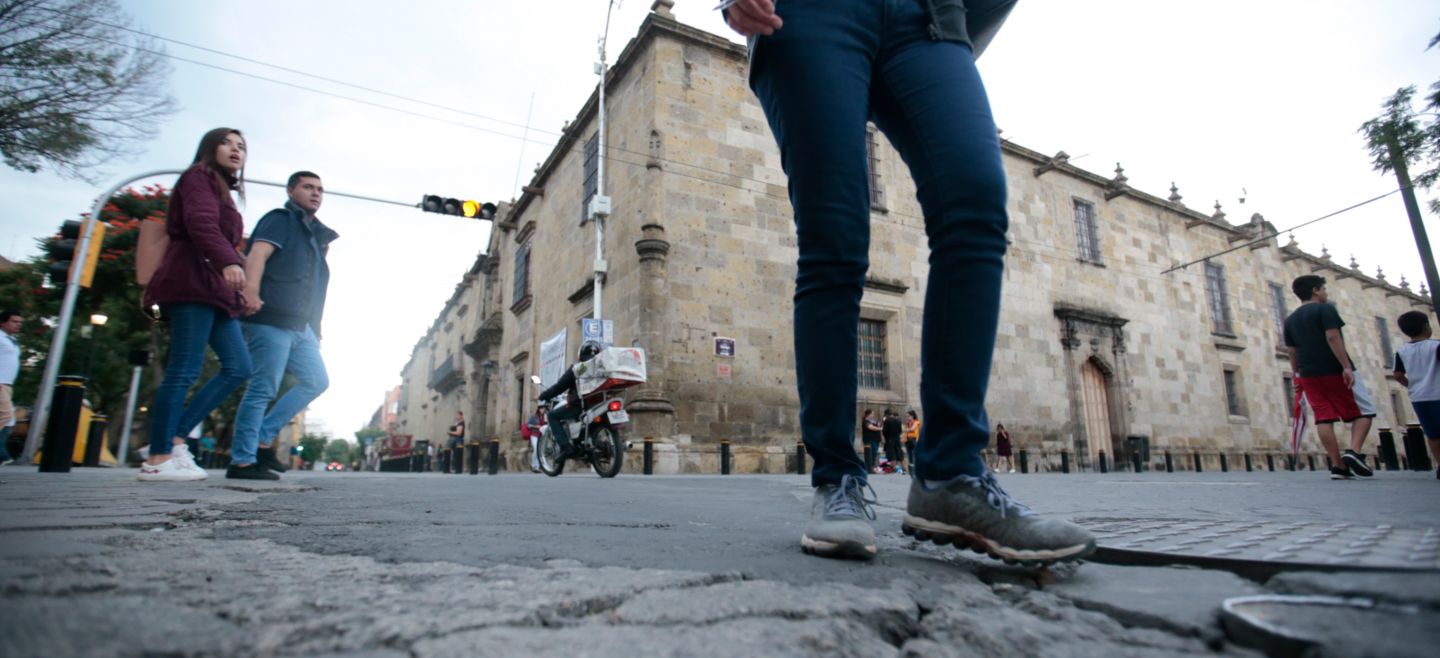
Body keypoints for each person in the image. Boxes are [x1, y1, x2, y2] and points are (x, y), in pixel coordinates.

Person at [726, 0, 1095, 564]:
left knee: (975, 204)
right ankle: (837, 479)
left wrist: (954, 27)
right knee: (835, 239)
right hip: (808, 13)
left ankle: (950, 477)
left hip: (926, 18)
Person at [138, 128, 254, 482]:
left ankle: (174, 439)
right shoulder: (199, 176)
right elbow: (200, 223)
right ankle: (158, 458)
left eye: (242, 147)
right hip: (191, 282)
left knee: (239, 367)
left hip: (215, 291)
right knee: (184, 370)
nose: (236, 150)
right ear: (209, 147)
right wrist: (228, 261)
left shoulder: (221, 188)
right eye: (227, 143)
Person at [229, 171, 338, 480]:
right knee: (263, 387)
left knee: (316, 380)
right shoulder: (280, 219)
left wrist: (315, 328)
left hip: (302, 326)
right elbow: (258, 255)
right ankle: (242, 461)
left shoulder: (313, 235)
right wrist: (250, 291)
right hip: (270, 317)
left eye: (320, 189)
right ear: (291, 191)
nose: (316, 193)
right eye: (308, 187)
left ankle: (262, 437)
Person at [1283, 274, 1374, 480]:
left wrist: (1297, 376)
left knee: (1324, 417)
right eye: (1324, 289)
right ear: (1315, 290)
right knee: (1364, 411)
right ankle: (1353, 451)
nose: (1325, 292)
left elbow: (1292, 351)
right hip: (1333, 369)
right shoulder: (1325, 309)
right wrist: (1346, 366)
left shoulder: (1290, 320)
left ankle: (1338, 465)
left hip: (1308, 374)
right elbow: (1333, 337)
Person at [1392, 311, 1440, 479]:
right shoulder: (1436, 346)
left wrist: (1411, 386)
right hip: (1438, 394)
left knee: (1432, 433)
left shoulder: (1402, 351)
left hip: (1419, 397)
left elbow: (1397, 375)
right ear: (1427, 327)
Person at [0, 310, 21, 466]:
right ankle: (2, 455)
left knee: (9, 421)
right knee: (6, 415)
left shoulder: (11, 340)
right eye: (14, 321)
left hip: (8, 384)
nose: (18, 325)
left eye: (20, 322)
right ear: (3, 322)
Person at [523, 403, 548, 473]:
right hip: (534, 435)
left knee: (540, 451)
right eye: (541, 408)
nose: (543, 410)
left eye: (544, 409)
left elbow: (546, 426)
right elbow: (528, 425)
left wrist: (546, 420)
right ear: (539, 409)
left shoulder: (545, 417)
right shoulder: (534, 417)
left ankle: (536, 466)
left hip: (541, 436)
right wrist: (537, 426)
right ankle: (534, 465)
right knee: (536, 450)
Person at [881, 409, 904, 474]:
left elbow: (884, 431)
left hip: (890, 439)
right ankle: (903, 468)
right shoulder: (898, 421)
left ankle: (893, 468)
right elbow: (900, 431)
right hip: (897, 439)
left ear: (886, 414)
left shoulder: (887, 420)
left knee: (892, 453)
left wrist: (886, 438)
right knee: (899, 452)